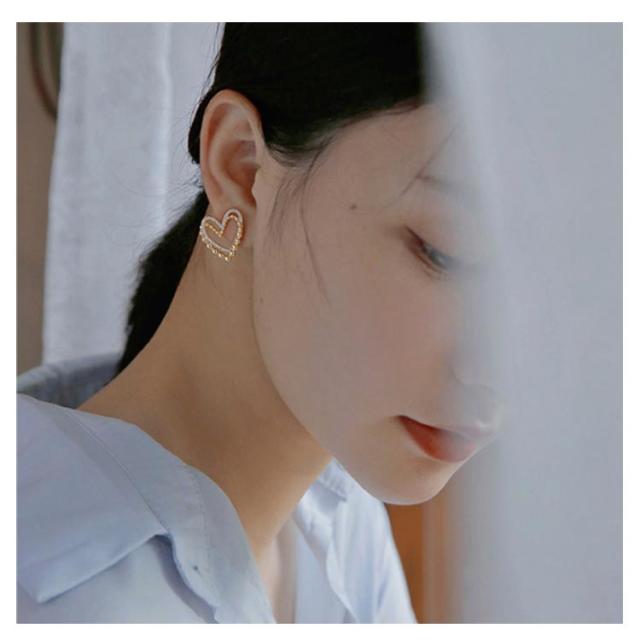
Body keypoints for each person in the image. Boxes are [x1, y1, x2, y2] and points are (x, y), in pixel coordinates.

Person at [17, 22, 503, 623]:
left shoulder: (342, 524)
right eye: (446, 252)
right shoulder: (49, 595)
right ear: (242, 167)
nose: (499, 378)